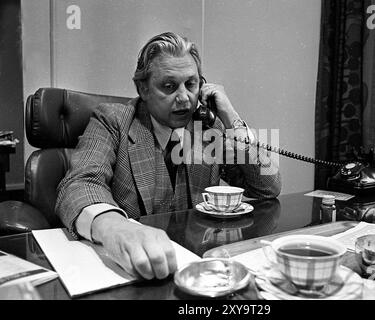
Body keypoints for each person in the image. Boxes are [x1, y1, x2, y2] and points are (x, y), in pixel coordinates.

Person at [55, 31, 281, 281]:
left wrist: (231, 117)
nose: (184, 98)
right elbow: (80, 183)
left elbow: (266, 188)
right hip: (133, 274)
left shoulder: (206, 129)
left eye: (191, 84)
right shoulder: (113, 120)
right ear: (143, 88)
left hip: (193, 270)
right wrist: (115, 228)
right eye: (169, 86)